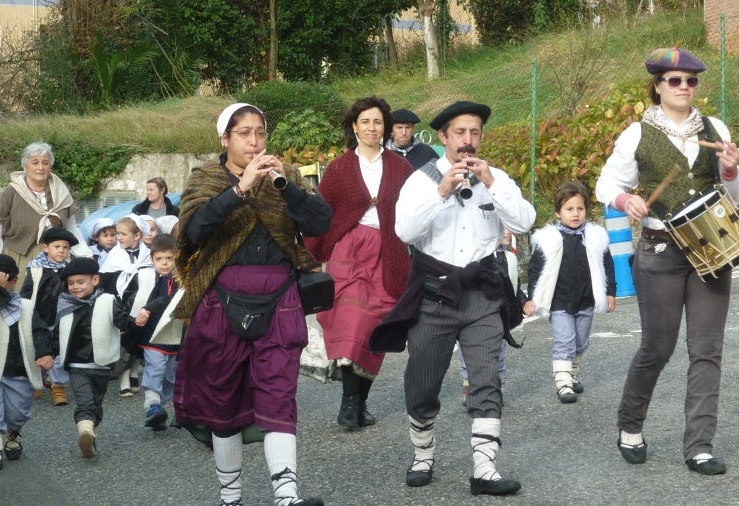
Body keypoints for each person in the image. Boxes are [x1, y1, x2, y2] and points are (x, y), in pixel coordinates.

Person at [595, 46, 739, 476]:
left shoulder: (715, 128)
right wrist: (628, 199)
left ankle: (699, 446)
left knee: (706, 351)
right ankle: (630, 424)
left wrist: (732, 172)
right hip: (660, 251)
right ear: (658, 87)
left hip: (713, 247)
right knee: (657, 348)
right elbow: (606, 183)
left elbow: (735, 193)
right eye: (675, 81)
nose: (684, 87)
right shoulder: (635, 134)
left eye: (691, 80)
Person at [371, 100, 536, 496]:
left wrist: (493, 184)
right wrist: (443, 191)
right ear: (443, 137)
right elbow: (405, 232)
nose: (468, 141)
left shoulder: (495, 179)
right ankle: (423, 452)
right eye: (460, 133)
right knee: (423, 382)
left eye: (475, 132)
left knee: (486, 377)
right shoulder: (422, 179)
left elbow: (525, 222)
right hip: (434, 293)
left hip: (481, 292)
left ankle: (485, 468)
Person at [173, 103, 330, 506]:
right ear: (225, 138)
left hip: (280, 294)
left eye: (259, 132)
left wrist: (287, 186)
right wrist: (240, 188)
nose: (254, 141)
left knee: (279, 393)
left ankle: (287, 496)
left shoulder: (287, 175)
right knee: (223, 399)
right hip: (220, 295)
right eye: (244, 133)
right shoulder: (206, 177)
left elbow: (320, 223)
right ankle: (231, 498)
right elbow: (194, 229)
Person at [303, 96, 413, 429]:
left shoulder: (400, 168)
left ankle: (360, 402)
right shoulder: (339, 168)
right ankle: (349, 404)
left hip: (389, 252)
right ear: (354, 126)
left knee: (375, 325)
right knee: (352, 320)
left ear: (386, 128)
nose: (371, 127)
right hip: (348, 252)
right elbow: (320, 212)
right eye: (365, 121)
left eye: (377, 122)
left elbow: (414, 211)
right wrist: (308, 255)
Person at [523, 181, 616, 404]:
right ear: (558, 212)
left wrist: (610, 293)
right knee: (565, 341)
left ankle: (571, 375)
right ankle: (563, 384)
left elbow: (607, 266)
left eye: (580, 209)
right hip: (559, 301)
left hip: (586, 299)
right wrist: (530, 298)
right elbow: (536, 271)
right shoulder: (548, 240)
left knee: (581, 342)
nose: (575, 214)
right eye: (569, 209)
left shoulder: (595, 237)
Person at [0, 254, 47, 471]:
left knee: (19, 411)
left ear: (15, 280)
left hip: (20, 368)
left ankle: (13, 431)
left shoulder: (27, 306)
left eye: (7, 283)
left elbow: (40, 331)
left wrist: (44, 353)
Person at [0, 142, 90, 289]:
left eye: (45, 163)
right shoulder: (11, 193)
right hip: (19, 259)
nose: (40, 167)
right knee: (23, 303)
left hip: (57, 259)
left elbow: (71, 229)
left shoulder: (61, 192)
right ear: (25, 166)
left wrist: (86, 257)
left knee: (57, 301)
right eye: (35, 162)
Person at [53, 257, 121, 459]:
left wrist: (138, 322)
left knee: (96, 405)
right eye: (71, 283)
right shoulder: (66, 305)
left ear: (95, 280)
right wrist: (45, 353)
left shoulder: (108, 301)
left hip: (102, 365)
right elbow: (56, 335)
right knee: (84, 402)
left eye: (80, 282)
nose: (74, 287)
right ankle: (84, 431)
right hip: (77, 365)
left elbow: (123, 321)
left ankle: (90, 435)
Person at [113, 234, 181, 431]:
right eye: (159, 259)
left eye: (169, 258)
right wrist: (129, 322)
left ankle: (161, 406)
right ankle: (151, 404)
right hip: (152, 336)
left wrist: (149, 307)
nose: (165, 263)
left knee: (171, 374)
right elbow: (128, 298)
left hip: (176, 336)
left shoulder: (182, 280)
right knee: (155, 367)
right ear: (152, 259)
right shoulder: (145, 277)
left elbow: (171, 300)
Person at [457, 228, 527, 405]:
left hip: (502, 313)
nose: (507, 232)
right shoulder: (477, 256)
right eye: (501, 228)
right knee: (470, 354)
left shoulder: (510, 257)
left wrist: (523, 302)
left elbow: (515, 285)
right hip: (477, 310)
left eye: (508, 228)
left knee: (500, 353)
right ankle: (470, 387)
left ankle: (497, 389)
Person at [20, 227, 80, 407]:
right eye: (57, 246)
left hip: (63, 317)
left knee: (62, 352)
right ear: (46, 248)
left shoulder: (70, 270)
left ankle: (57, 385)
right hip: (39, 317)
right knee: (38, 349)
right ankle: (37, 381)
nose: (61, 250)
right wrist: (29, 313)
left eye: (65, 247)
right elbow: (26, 295)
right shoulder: (36, 269)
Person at [100, 214, 153, 397]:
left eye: (123, 234)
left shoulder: (147, 254)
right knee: (124, 338)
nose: (118, 238)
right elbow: (106, 279)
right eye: (117, 234)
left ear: (136, 235)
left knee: (139, 336)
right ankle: (123, 378)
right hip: (121, 304)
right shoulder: (115, 255)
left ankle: (133, 372)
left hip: (142, 301)